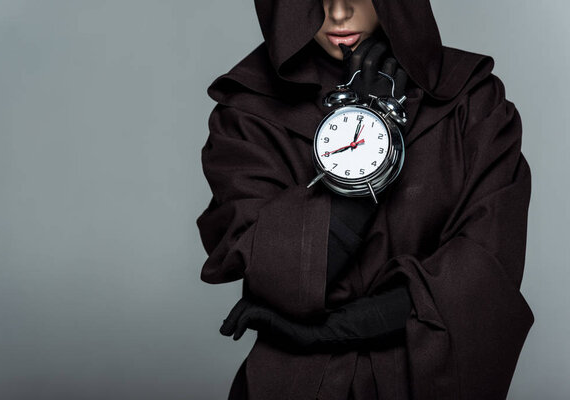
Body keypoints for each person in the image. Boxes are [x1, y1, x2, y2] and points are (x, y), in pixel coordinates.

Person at [196, 0, 535, 399]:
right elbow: (279, 274)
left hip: (427, 379)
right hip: (296, 384)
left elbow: (484, 272)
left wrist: (332, 329)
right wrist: (364, 128)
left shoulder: (473, 102)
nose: (338, 12)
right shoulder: (247, 113)